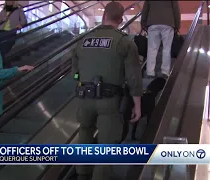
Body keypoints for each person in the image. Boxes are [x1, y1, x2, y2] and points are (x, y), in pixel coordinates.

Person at [71, 2, 143, 180]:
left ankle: (82, 174)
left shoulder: (83, 40)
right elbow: (133, 78)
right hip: (109, 101)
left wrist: (79, 83)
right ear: (120, 20)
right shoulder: (125, 42)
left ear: (103, 17)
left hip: (84, 98)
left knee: (85, 133)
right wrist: (137, 105)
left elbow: (74, 73)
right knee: (106, 145)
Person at [141, 1, 181, 78]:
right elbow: (176, 10)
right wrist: (177, 25)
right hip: (168, 23)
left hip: (152, 23)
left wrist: (143, 24)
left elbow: (145, 10)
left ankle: (150, 72)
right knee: (167, 49)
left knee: (152, 49)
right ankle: (165, 72)